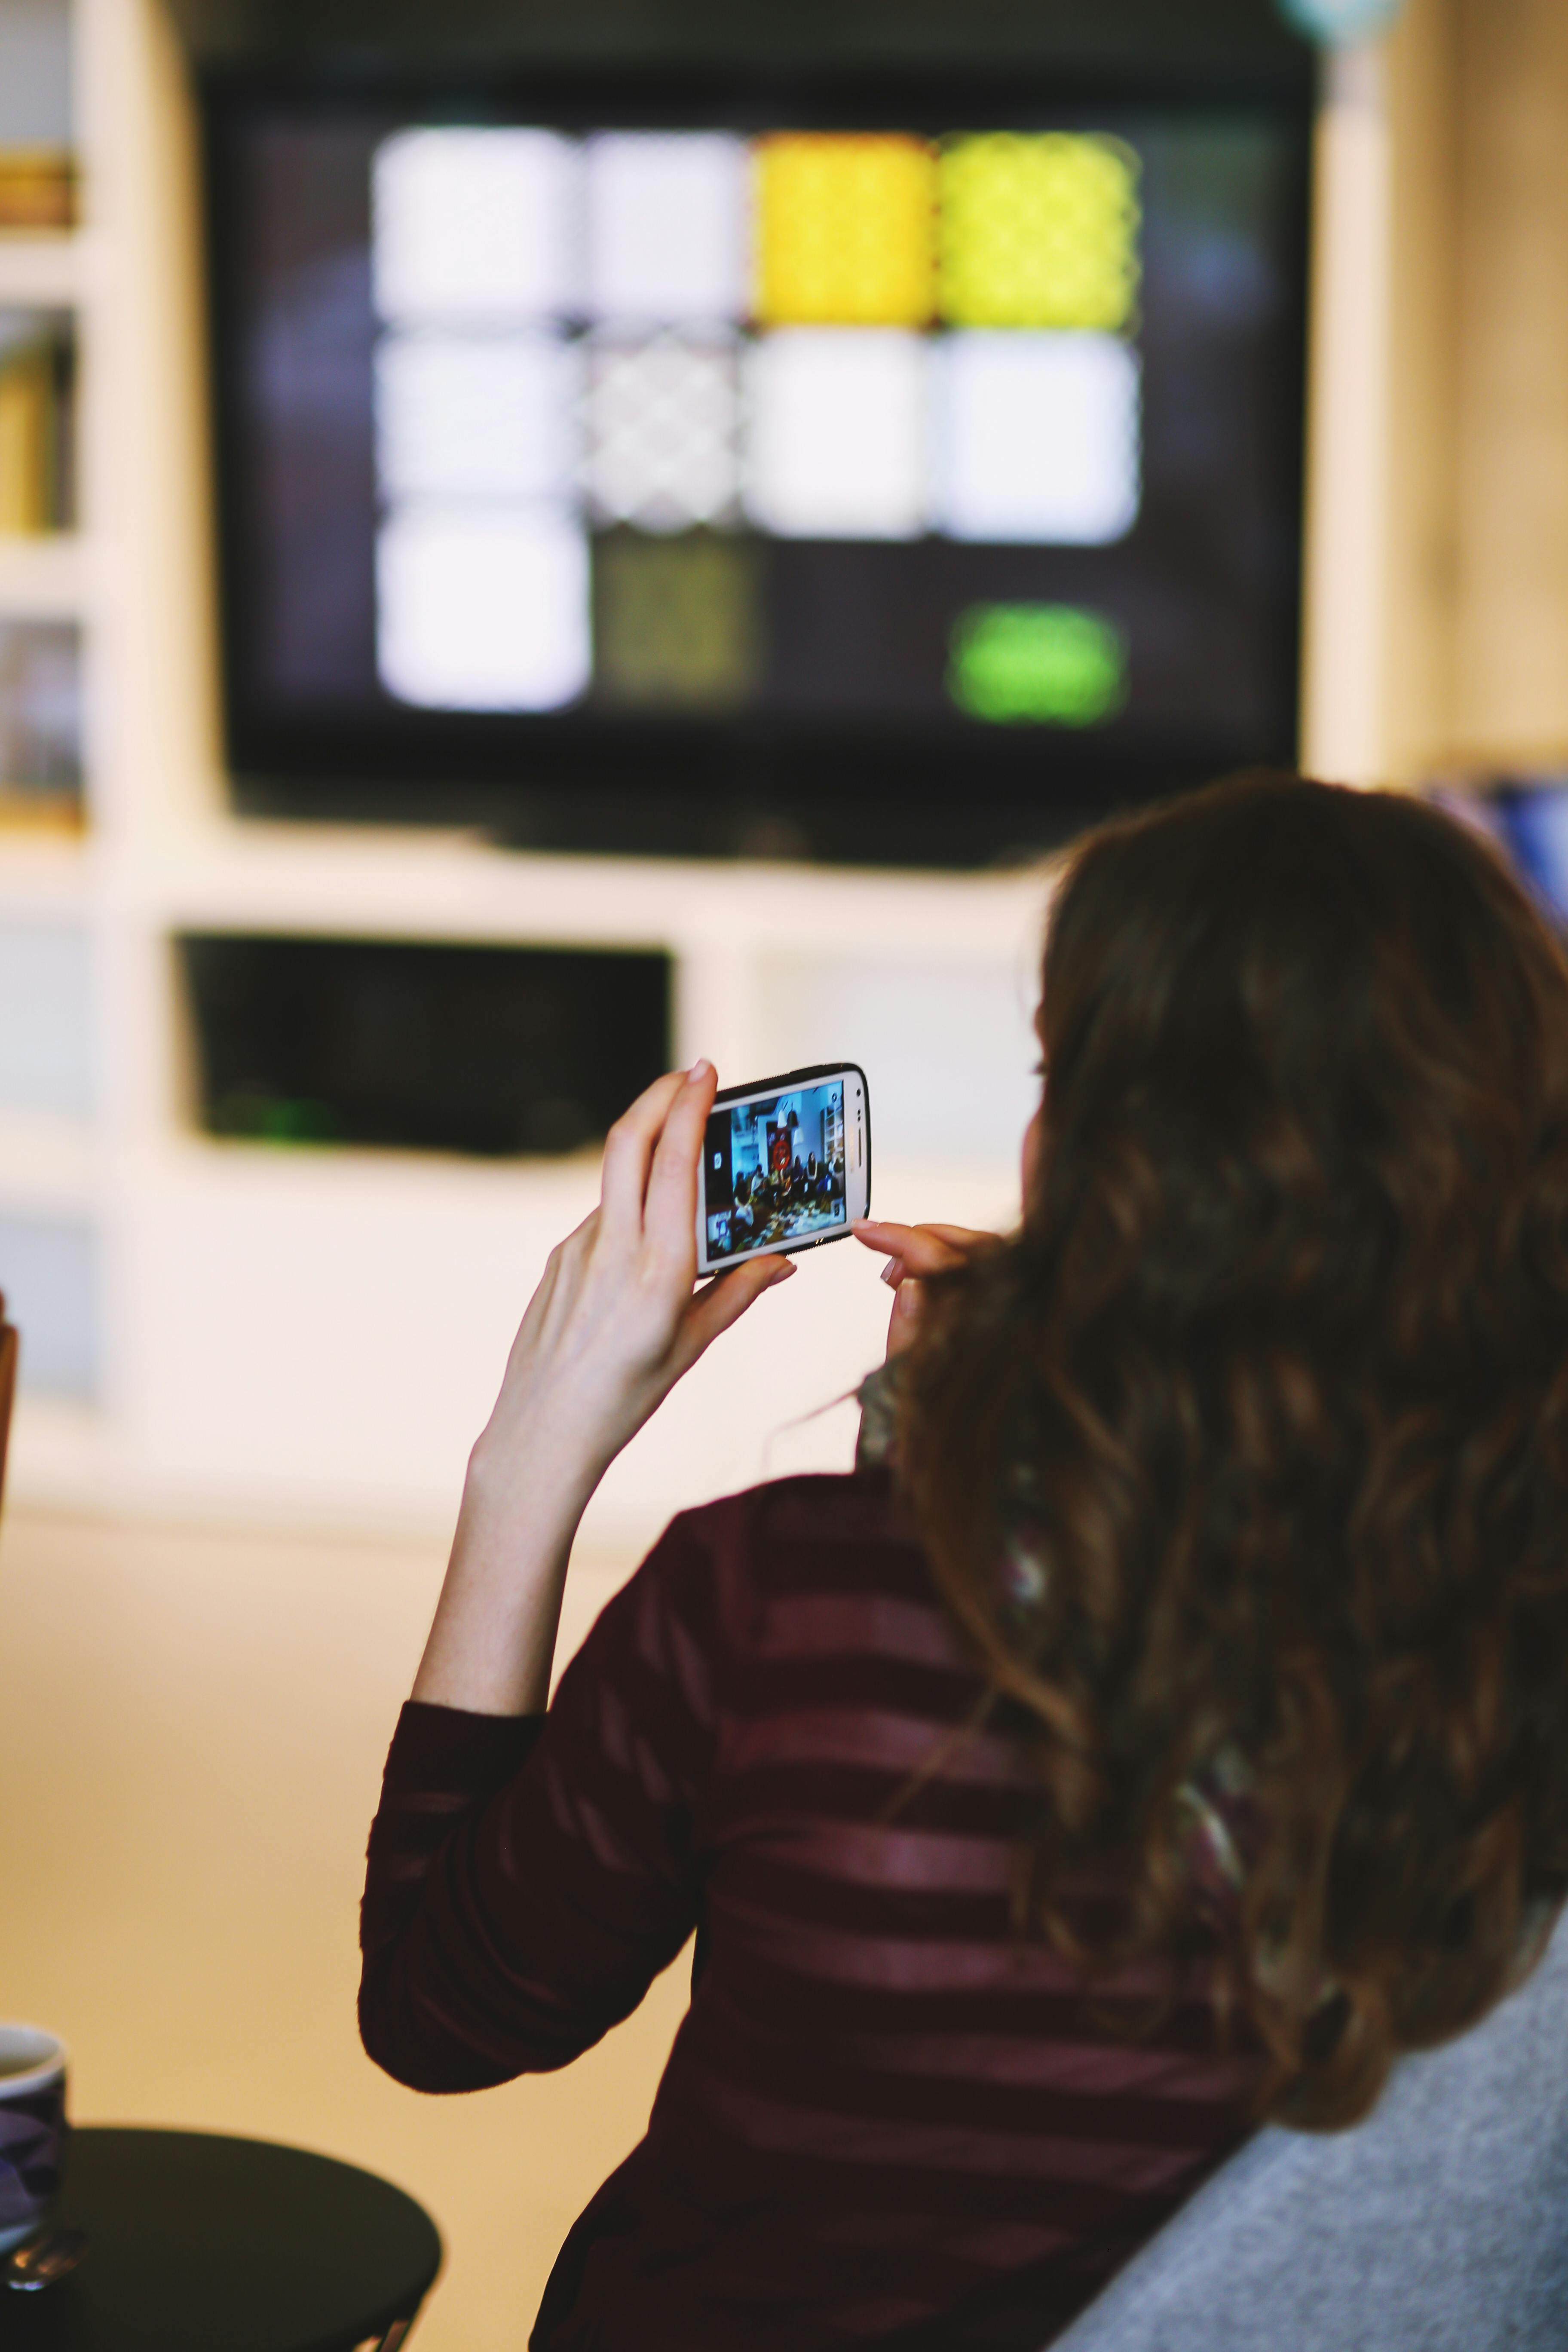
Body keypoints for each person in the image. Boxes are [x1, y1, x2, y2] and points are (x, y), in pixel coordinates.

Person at [360, 775, 1568, 2351]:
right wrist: (1021, 1441)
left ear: (1102, 1153)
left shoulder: (779, 1605)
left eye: (1057, 1069)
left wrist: (534, 1448)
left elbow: (441, 2011)